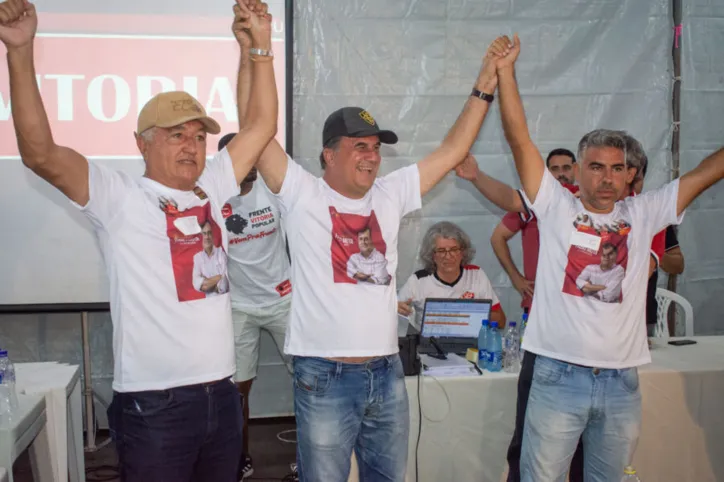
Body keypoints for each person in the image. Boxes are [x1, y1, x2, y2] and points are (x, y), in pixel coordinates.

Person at [0, 0, 278, 479]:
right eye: (175, 135)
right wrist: (20, 52)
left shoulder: (212, 184)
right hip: (156, 406)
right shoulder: (119, 197)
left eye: (197, 136)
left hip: (222, 395)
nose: (191, 145)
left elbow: (262, 127)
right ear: (141, 143)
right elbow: (40, 153)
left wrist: (261, 49)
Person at [242, 24, 510, 480]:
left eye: (375, 148)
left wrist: (486, 82)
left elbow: (452, 150)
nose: (371, 156)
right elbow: (254, 130)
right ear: (328, 154)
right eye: (358, 146)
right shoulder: (301, 192)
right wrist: (255, 50)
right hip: (324, 375)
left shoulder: (391, 192)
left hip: (385, 373)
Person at [494, 34, 724, 482]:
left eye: (617, 168)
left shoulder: (645, 212)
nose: (606, 178)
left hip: (621, 382)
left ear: (630, 175)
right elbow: (520, 140)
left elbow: (705, 173)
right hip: (559, 377)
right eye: (596, 167)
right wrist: (506, 73)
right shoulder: (556, 206)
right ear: (578, 171)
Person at [217, 131, 293, 480]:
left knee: (310, 380)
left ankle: (310, 457)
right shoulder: (214, 200)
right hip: (240, 305)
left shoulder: (272, 189)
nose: (246, 165)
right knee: (236, 391)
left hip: (283, 299)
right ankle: (239, 457)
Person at [397, 221, 506, 328]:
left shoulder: (476, 275)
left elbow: (501, 321)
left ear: (463, 252)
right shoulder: (418, 280)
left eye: (454, 249)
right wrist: (397, 309)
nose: (448, 256)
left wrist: (467, 314)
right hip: (429, 344)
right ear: (432, 255)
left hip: (470, 343)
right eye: (441, 251)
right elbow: (394, 312)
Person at [193, 220, 230, 297]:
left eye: (209, 233)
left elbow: (224, 286)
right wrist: (218, 277)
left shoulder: (221, 254)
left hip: (224, 300)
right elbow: (196, 284)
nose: (207, 237)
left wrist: (206, 283)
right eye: (204, 233)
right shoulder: (197, 258)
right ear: (201, 236)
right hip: (208, 304)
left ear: (213, 235)